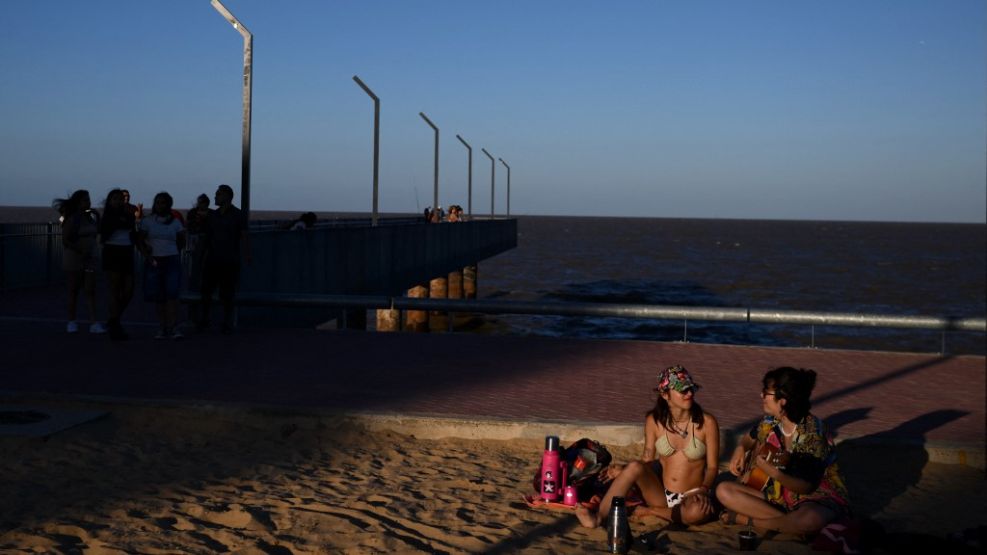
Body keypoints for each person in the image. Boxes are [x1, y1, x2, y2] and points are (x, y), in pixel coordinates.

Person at [576, 366, 720, 528]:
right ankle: (598, 518)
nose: (689, 393)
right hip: (661, 495)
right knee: (634, 466)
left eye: (691, 388)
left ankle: (650, 511)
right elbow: (647, 460)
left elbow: (713, 467)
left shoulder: (707, 422)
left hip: (693, 495)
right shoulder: (654, 421)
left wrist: (703, 490)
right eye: (683, 390)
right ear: (665, 395)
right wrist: (624, 470)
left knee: (696, 513)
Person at [716, 366, 850, 535]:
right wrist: (740, 449)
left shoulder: (812, 433)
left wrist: (772, 472)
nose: (761, 396)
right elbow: (750, 437)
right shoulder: (771, 422)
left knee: (809, 519)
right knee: (724, 491)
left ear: (783, 400)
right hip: (777, 495)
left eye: (766, 392)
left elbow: (805, 487)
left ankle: (747, 520)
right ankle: (787, 523)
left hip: (815, 497)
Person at [52, 190, 107, 334]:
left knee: (90, 290)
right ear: (78, 203)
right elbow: (66, 240)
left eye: (88, 200)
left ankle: (94, 323)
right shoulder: (72, 219)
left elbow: (98, 231)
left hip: (89, 258)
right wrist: (79, 249)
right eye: (84, 200)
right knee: (73, 290)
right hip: (75, 258)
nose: (88, 203)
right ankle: (71, 321)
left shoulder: (90, 218)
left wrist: (98, 216)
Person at [198, 184, 249, 334]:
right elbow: (206, 237)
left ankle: (226, 321)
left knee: (227, 292)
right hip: (212, 259)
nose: (215, 197)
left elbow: (244, 236)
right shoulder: (212, 216)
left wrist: (247, 255)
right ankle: (205, 319)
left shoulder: (238, 215)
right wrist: (201, 255)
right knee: (206, 290)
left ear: (227, 196)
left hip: (229, 260)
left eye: (218, 194)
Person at [138, 192, 186, 339]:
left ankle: (173, 326)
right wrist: (147, 254)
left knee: (172, 294)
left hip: (171, 259)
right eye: (158, 202)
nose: (160, 205)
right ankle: (162, 326)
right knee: (158, 295)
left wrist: (173, 252)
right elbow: (140, 240)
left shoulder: (175, 222)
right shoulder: (148, 221)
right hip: (154, 260)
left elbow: (181, 241)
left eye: (163, 202)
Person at [98, 188, 136, 340]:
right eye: (115, 198)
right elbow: (103, 235)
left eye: (120, 198)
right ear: (109, 201)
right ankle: (115, 324)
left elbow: (132, 232)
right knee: (115, 290)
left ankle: (113, 319)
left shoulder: (128, 215)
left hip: (126, 252)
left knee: (129, 289)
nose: (119, 201)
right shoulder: (107, 217)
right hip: (112, 252)